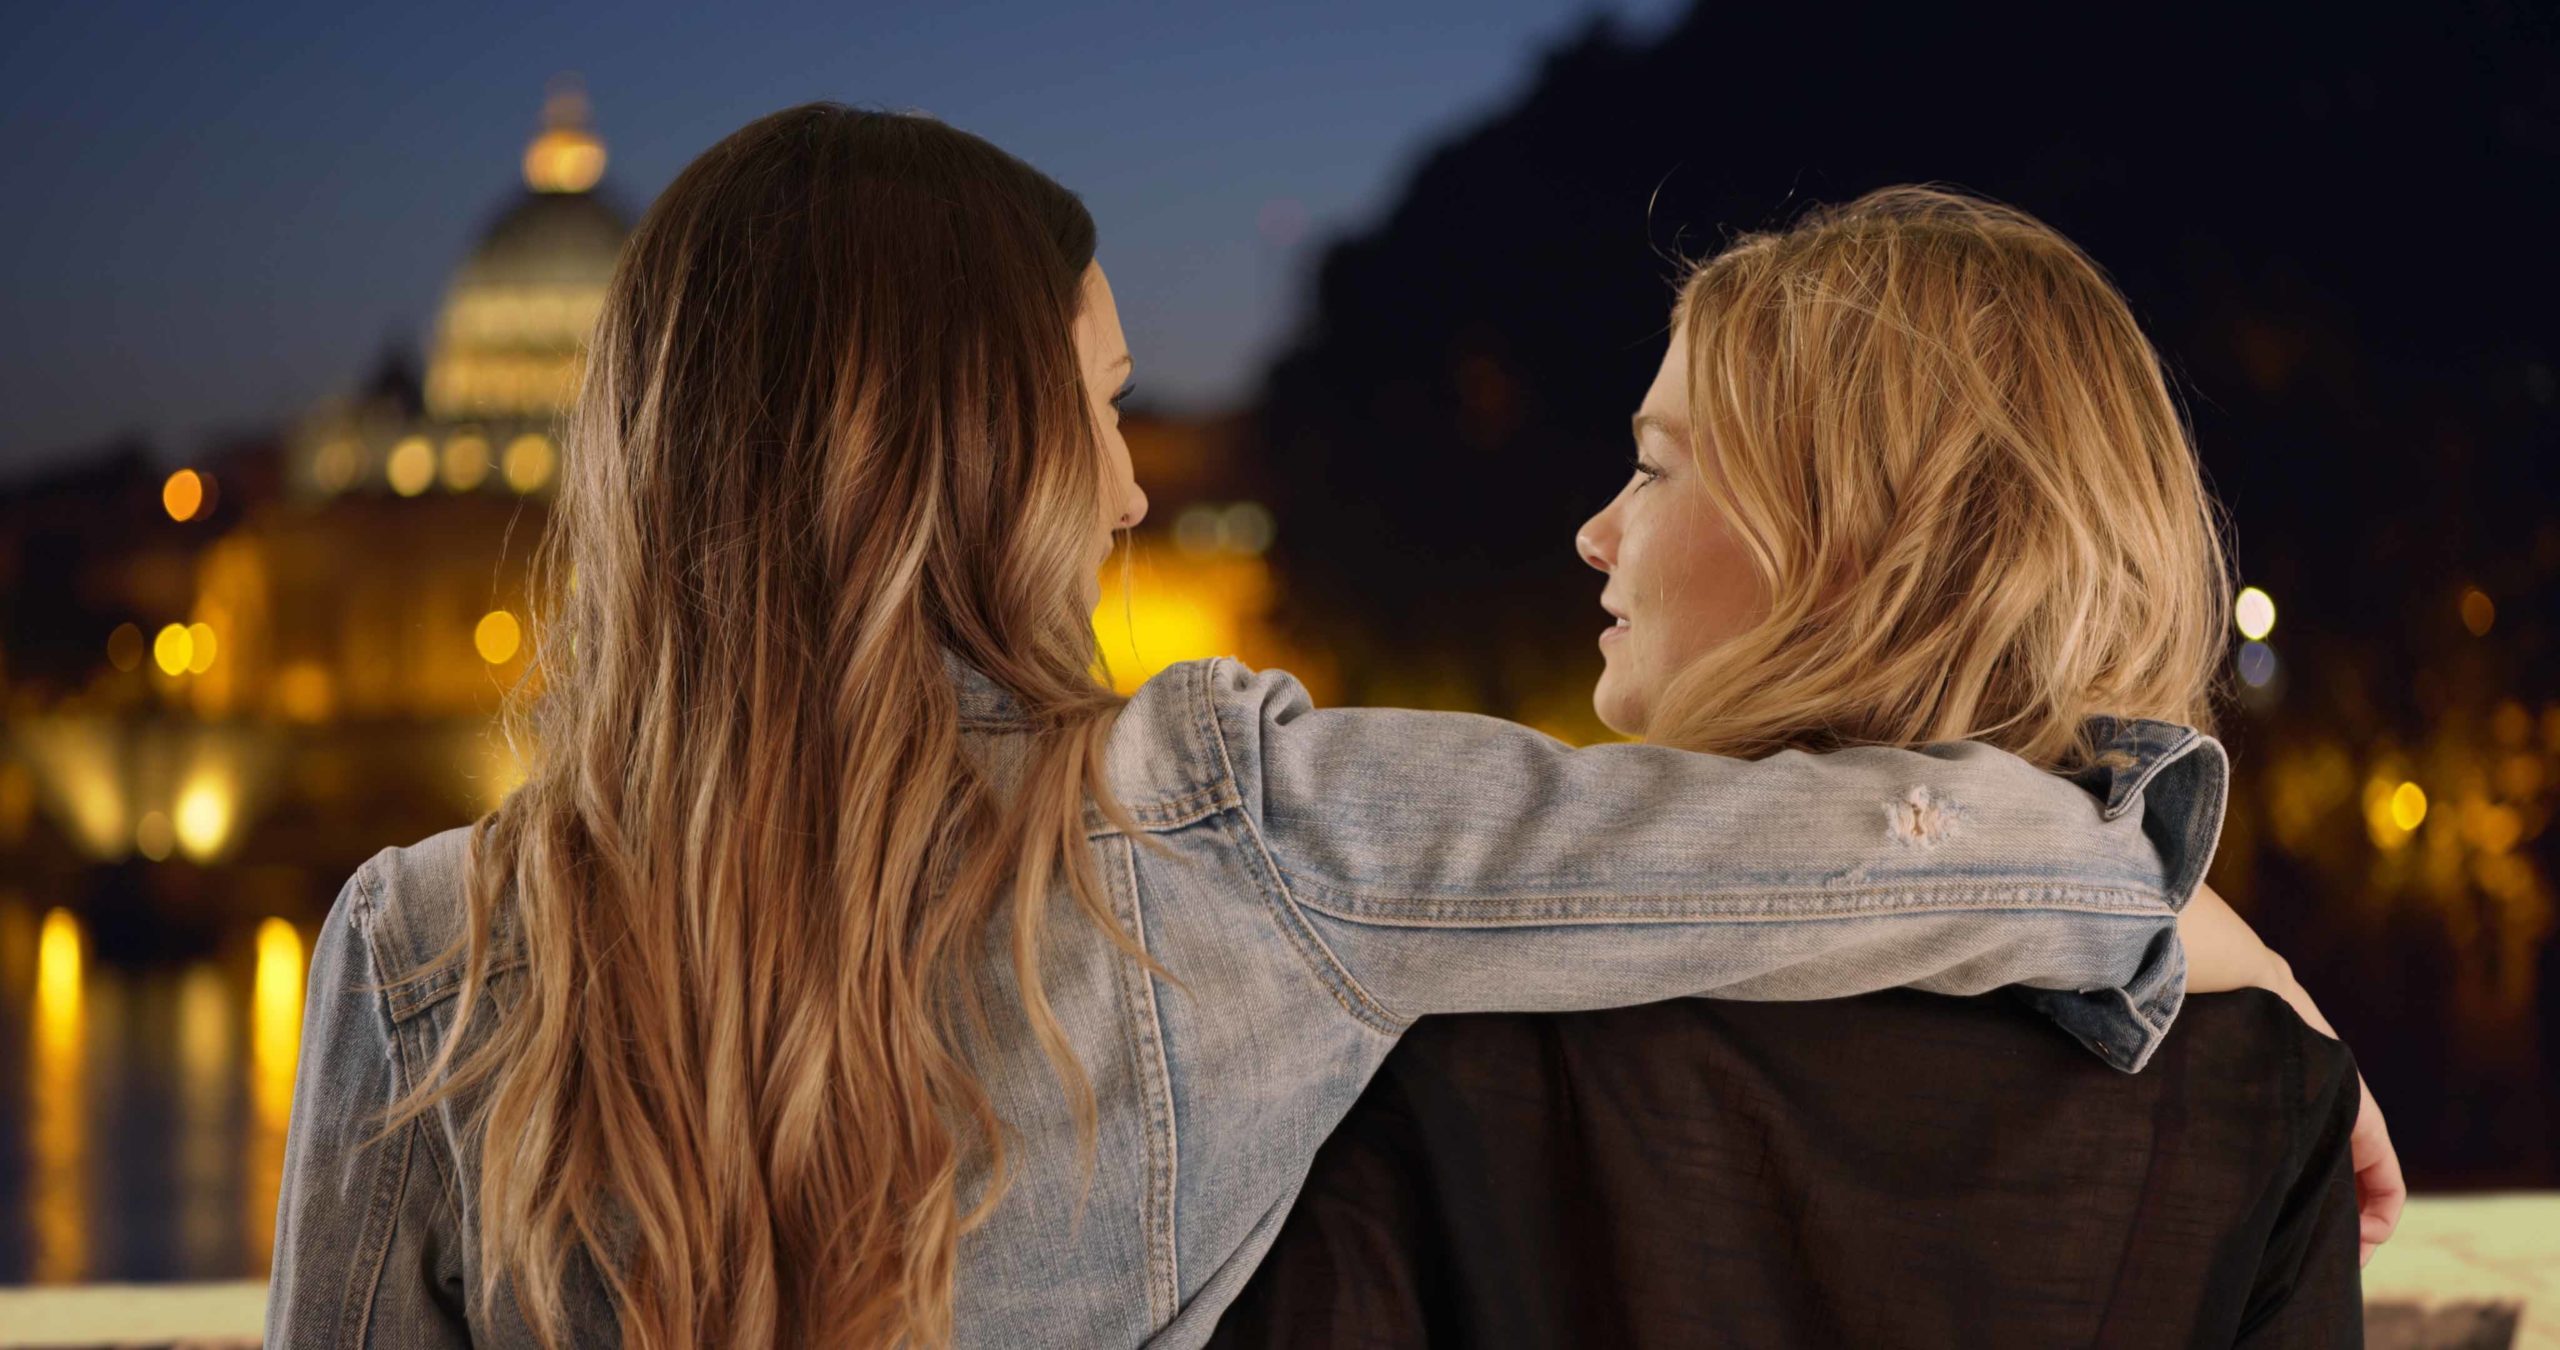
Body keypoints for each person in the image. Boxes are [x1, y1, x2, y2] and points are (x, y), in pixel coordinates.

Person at [267, 115, 2302, 1349]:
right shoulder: (1244, 838)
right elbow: (1811, 854)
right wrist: (2163, 902)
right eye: (1102, 406)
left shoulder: (416, 942)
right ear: (976, 456)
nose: (1135, 491)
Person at [1213, 187, 2394, 1348]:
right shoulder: (2261, 1097)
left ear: (1850, 542)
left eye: (1656, 468)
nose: (1596, 532)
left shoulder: (1449, 1039)